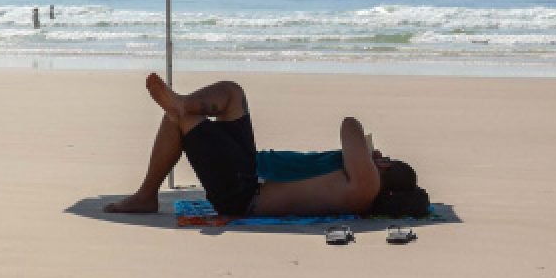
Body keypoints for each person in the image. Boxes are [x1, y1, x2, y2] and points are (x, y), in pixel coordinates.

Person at [105, 74, 429, 218]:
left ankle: (147, 195)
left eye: (384, 159)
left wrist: (368, 156)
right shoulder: (361, 189)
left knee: (181, 120)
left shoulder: (366, 185)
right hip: (250, 170)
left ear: (384, 167)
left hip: (243, 193)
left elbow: (350, 124)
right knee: (233, 92)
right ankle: (184, 103)